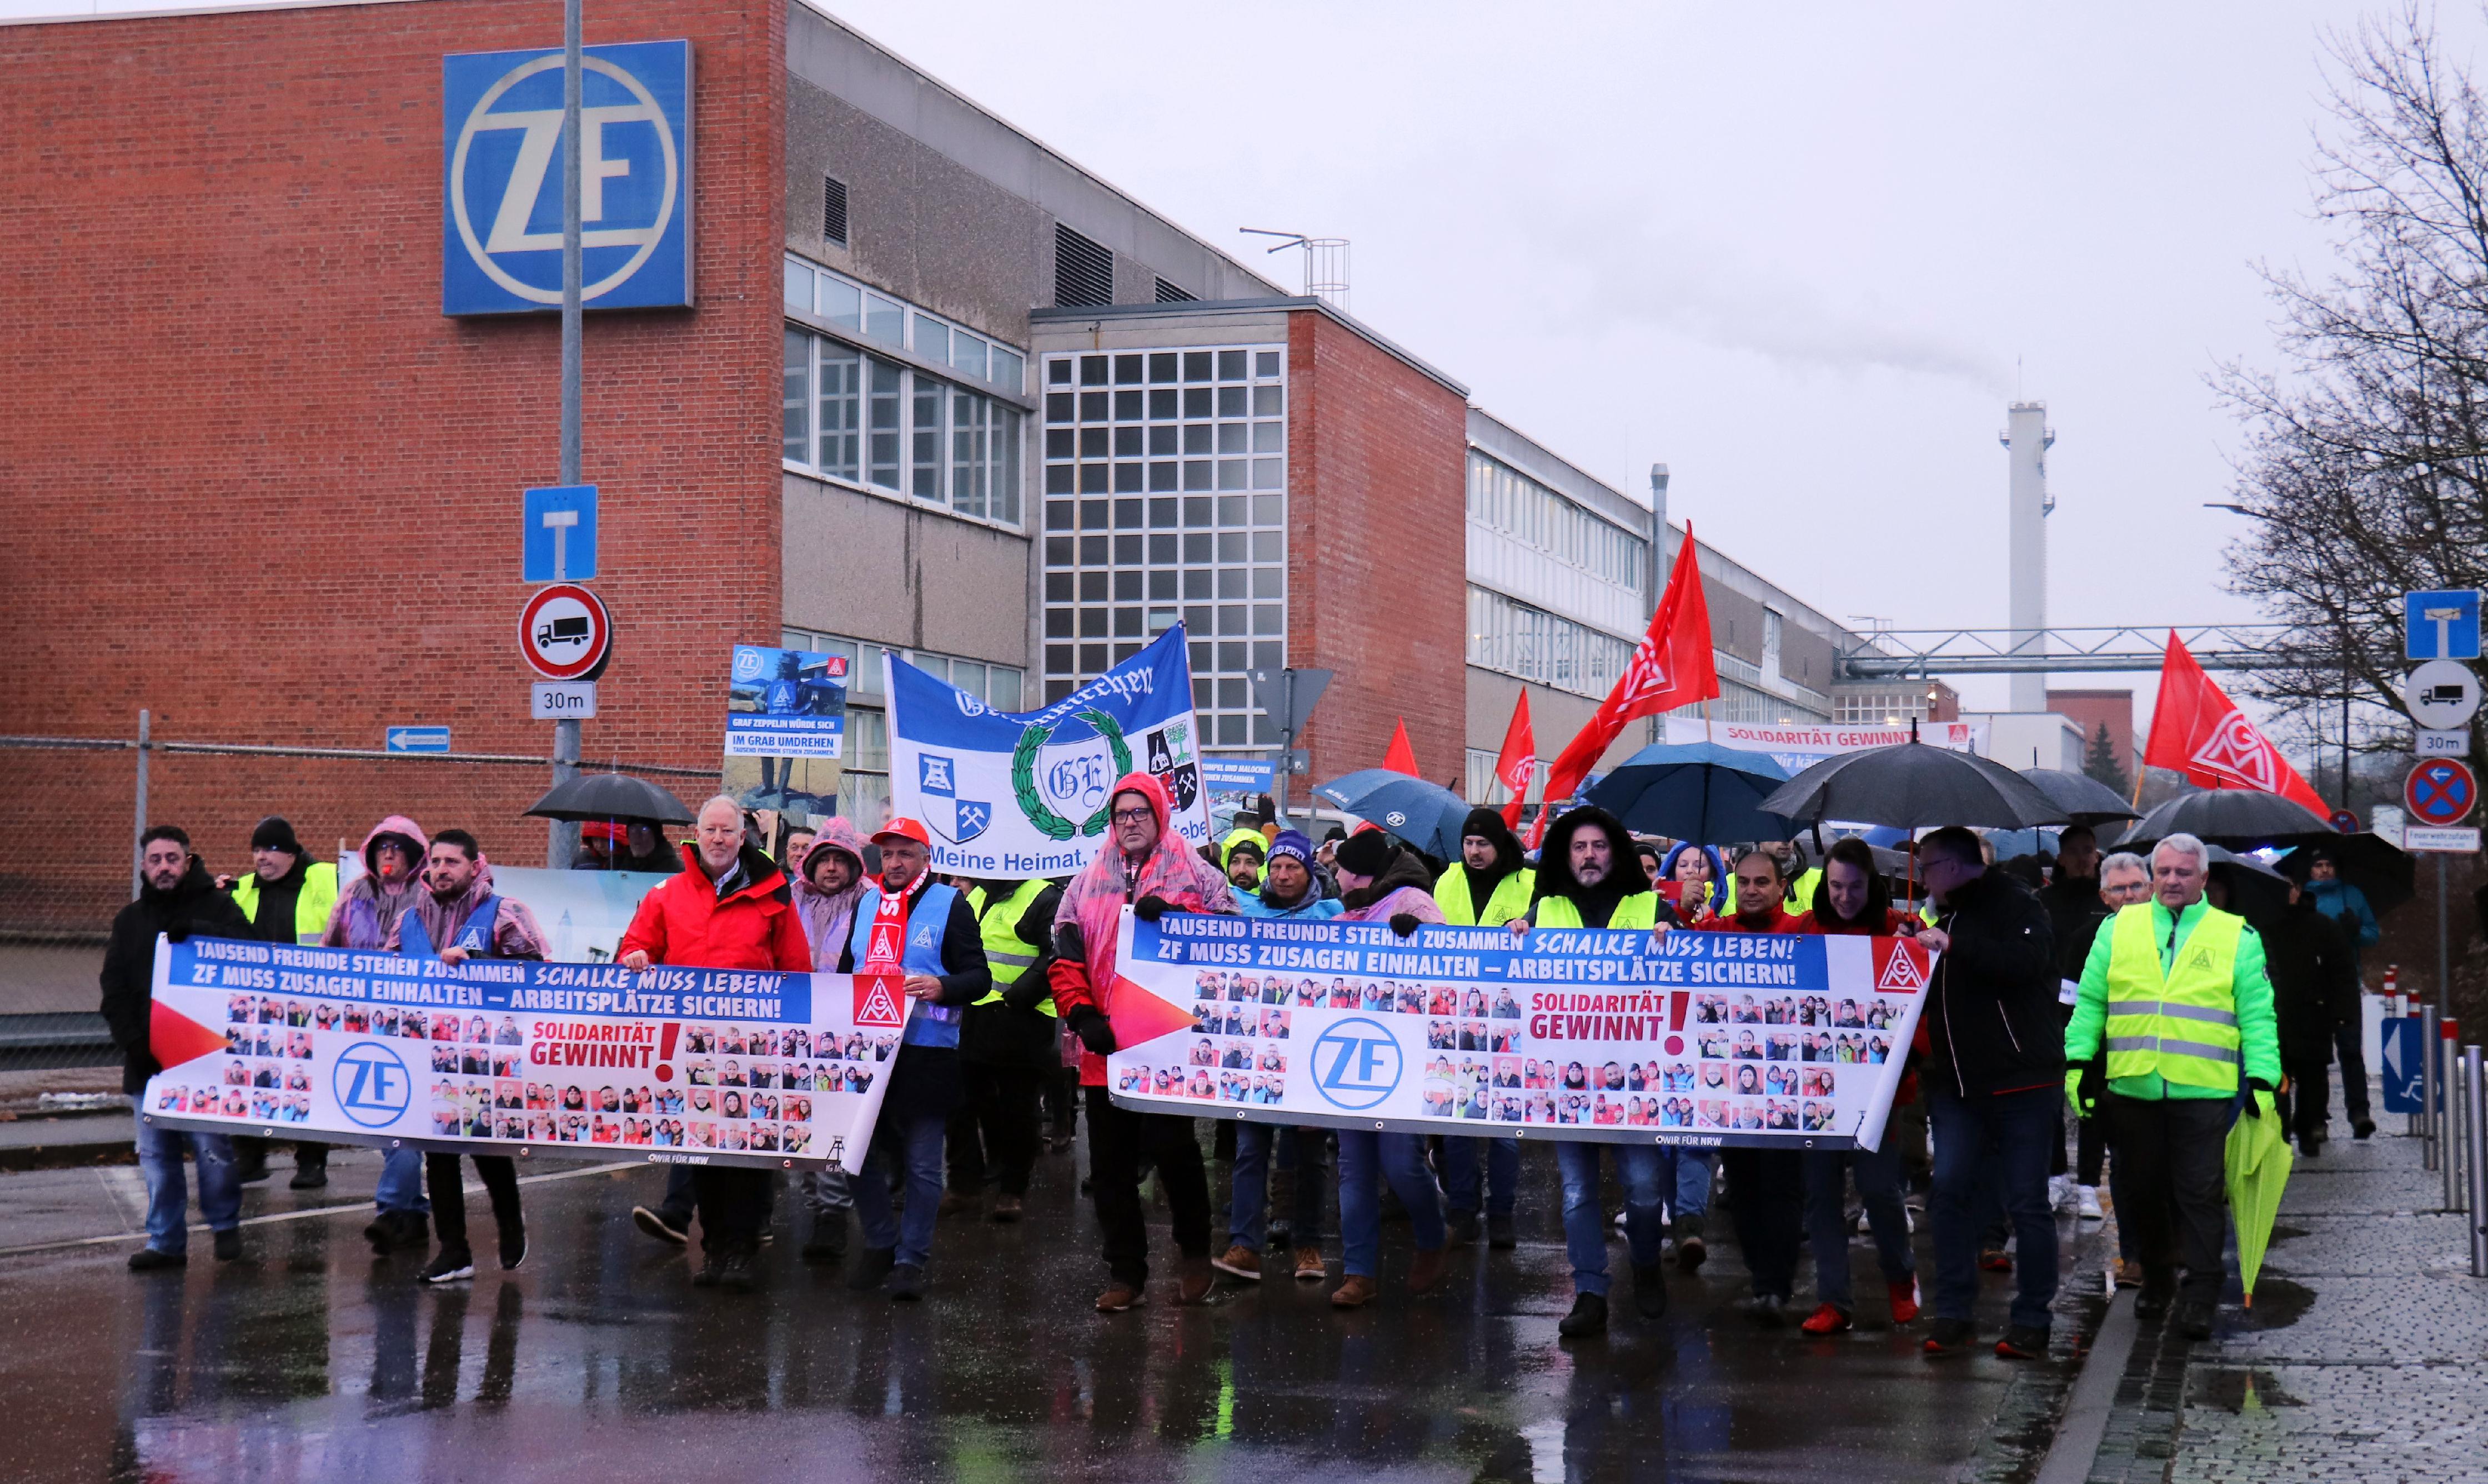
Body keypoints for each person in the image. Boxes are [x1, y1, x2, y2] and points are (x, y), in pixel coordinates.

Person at [2068, 833, 2282, 1341]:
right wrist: (2077, 1062)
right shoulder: (2120, 930)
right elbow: (2091, 1003)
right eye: (2163, 872)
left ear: (2204, 879)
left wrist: (2263, 1079)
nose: (2171, 881)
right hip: (2134, 1087)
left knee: (2200, 1195)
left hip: (2203, 1092)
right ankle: (2159, 1281)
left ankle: (2202, 1292)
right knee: (2142, 1194)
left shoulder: (2237, 936)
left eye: (2183, 873)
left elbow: (2257, 1015)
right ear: (2152, 876)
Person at [1049, 773, 1235, 1312]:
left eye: (1139, 813)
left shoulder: (1196, 872)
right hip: (1104, 1046)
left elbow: (1230, 940)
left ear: (1159, 815)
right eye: (1120, 814)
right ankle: (1125, 1271)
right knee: (1110, 1167)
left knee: (1175, 1152)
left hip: (1167, 1044)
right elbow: (1065, 950)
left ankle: (1195, 1251)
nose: (1129, 822)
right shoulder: (1086, 880)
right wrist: (1081, 1013)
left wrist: (1180, 919)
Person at [616, 796, 812, 1291]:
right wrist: (637, 957)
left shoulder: (774, 893)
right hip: (690, 1047)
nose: (720, 839)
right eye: (711, 831)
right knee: (700, 1150)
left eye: (729, 831)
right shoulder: (667, 893)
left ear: (742, 837)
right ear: (696, 835)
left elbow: (797, 969)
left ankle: (742, 1250)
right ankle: (717, 1248)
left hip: (753, 1047)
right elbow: (632, 947)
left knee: (744, 1155)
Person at [1514, 806, 1674, 1334]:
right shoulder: (1546, 909)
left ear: (1616, 852)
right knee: (1578, 1193)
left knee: (1646, 1191)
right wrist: (1515, 930)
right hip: (1567, 1082)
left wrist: (1674, 932)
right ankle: (1589, 1291)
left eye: (1599, 846)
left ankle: (1647, 1264)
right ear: (1566, 855)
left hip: (1636, 1080)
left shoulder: (1649, 904)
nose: (1589, 856)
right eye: (1579, 847)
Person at [1912, 826, 2064, 1360]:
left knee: (2026, 1201)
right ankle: (1954, 1310)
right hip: (1957, 1083)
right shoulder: (1943, 915)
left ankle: (2032, 1318)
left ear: (1952, 867)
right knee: (1948, 1191)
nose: (1921, 877)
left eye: (1926, 867)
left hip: (2022, 1078)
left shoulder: (2017, 904)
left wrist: (1954, 946)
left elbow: (2025, 964)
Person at [830, 819, 990, 1299]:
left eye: (905, 855)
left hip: (926, 1052)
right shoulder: (867, 902)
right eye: (888, 855)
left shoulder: (950, 904)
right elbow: (845, 973)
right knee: (855, 1157)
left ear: (926, 859)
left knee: (922, 1166)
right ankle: (880, 1242)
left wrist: (945, 985)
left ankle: (910, 1259)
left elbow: (979, 977)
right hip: (867, 1054)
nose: (895, 864)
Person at [390, 829, 545, 1283]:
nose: (440, 870)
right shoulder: (408, 919)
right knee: (438, 1152)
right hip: (429, 1053)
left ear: (475, 867)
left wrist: (477, 963)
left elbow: (540, 976)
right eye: (435, 862)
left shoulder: (503, 913)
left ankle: (511, 1223)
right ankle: (454, 1250)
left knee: (484, 1144)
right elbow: (383, 976)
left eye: (451, 862)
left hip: (486, 1056)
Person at [106, 825, 254, 1270]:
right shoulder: (129, 922)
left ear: (187, 862)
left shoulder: (219, 907)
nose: (164, 867)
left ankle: (225, 1225)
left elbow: (252, 952)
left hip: (204, 1061)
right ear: (144, 867)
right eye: (155, 860)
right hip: (147, 1063)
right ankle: (166, 1243)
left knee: (213, 1150)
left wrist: (201, 932)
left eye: (172, 858)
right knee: (157, 1157)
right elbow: (113, 991)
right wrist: (134, 1045)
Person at [1791, 838, 1921, 1333]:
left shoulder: (1896, 929)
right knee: (1821, 1196)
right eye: (1837, 886)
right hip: (1819, 1091)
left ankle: (1901, 1277)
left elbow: (1926, 982)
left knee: (1878, 1189)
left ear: (1874, 885)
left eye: (1856, 887)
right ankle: (1834, 1301)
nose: (1845, 897)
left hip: (1879, 1093)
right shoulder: (1809, 927)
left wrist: (1919, 940)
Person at [1325, 830, 1450, 1308]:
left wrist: (1419, 939)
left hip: (1405, 1054)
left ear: (1358, 872)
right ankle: (1359, 1273)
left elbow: (1452, 962)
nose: (1334, 876)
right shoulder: (1348, 912)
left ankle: (1433, 1234)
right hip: (1349, 1051)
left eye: (1340, 868)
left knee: (1400, 1163)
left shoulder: (1413, 902)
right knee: (1353, 1168)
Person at [1221, 830, 1339, 1283]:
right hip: (1256, 1053)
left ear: (1310, 869)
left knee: (1310, 1157)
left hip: (1311, 1054)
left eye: (1293, 866)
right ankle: (1243, 1246)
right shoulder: (1244, 908)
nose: (1283, 875)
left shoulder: (1332, 914)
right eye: (1277, 867)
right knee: (1251, 1151)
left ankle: (1308, 1247)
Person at [1697, 849, 1808, 1324]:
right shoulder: (1716, 932)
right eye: (1743, 882)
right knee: (1743, 1189)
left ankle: (1773, 1285)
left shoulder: (1803, 931)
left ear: (1782, 886)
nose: (1751, 890)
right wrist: (1676, 917)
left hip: (1788, 1091)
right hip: (1734, 1094)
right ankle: (1761, 1272)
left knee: (1782, 1189)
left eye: (1762, 882)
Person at [323, 814, 435, 1255]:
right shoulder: (354, 895)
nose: (389, 853)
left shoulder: (428, 897)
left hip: (415, 1026)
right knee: (384, 1118)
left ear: (413, 853)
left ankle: (391, 1210)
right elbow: (330, 949)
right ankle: (412, 1215)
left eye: (398, 846)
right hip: (362, 1023)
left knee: (401, 1121)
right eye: (382, 846)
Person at [1431, 807, 1532, 1247]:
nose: (1474, 852)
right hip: (1456, 1018)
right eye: (1468, 843)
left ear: (1499, 845)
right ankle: (1462, 1209)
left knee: (1504, 1126)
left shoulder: (1529, 882)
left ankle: (1503, 1212)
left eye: (1483, 844)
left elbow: (1546, 935)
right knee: (1457, 1120)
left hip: (1511, 1020)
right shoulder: (1447, 880)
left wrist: (1531, 926)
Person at [225, 815, 340, 1190]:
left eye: (271, 849)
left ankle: (310, 1163)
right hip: (257, 1006)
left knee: (307, 1083)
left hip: (311, 1003)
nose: (262, 857)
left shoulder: (322, 879)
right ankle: (250, 1157)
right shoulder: (242, 888)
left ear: (292, 854)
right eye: (257, 850)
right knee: (248, 1077)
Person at [946, 873, 1062, 1226]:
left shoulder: (1044, 896)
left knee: (1017, 1106)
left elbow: (1056, 953)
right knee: (968, 1101)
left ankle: (1013, 1188)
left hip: (1023, 1016)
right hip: (978, 1013)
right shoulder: (978, 895)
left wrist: (1021, 995)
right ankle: (973, 1181)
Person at [786, 820, 869, 1262]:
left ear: (854, 866)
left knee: (834, 1123)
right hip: (796, 1027)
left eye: (841, 860)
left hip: (845, 1030)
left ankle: (833, 1215)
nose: (832, 868)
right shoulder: (790, 901)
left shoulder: (870, 903)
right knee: (800, 1121)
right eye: (825, 860)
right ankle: (817, 1207)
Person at [2264, 876, 2360, 1157]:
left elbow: (2342, 973)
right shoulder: (2262, 927)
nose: (2287, 893)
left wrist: (2343, 1012)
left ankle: (2307, 1129)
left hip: (2313, 1016)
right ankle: (2279, 1135)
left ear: (2299, 889)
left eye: (2291, 887)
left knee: (2312, 1084)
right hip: (2274, 1018)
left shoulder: (2323, 927)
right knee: (2277, 1082)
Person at [2298, 846, 2380, 1139]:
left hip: (2345, 983)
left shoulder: (2353, 896)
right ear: (2310, 870)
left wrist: (2357, 930)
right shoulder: (2301, 897)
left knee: (2350, 1050)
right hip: (2310, 984)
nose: (2323, 870)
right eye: (2318, 865)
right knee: (2316, 1055)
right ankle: (2317, 1117)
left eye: (2328, 865)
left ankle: (2359, 1113)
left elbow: (2373, 935)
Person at [1658, 841, 1727, 923]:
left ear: (1712, 873)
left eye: (1699, 866)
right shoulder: (1658, 903)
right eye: (1683, 865)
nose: (1690, 870)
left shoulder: (1729, 910)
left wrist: (1709, 920)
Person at [1220, 828, 1268, 894]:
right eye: (1235, 862)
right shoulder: (1212, 900)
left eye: (1250, 863)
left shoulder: (1276, 902)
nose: (1242, 870)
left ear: (1262, 867)